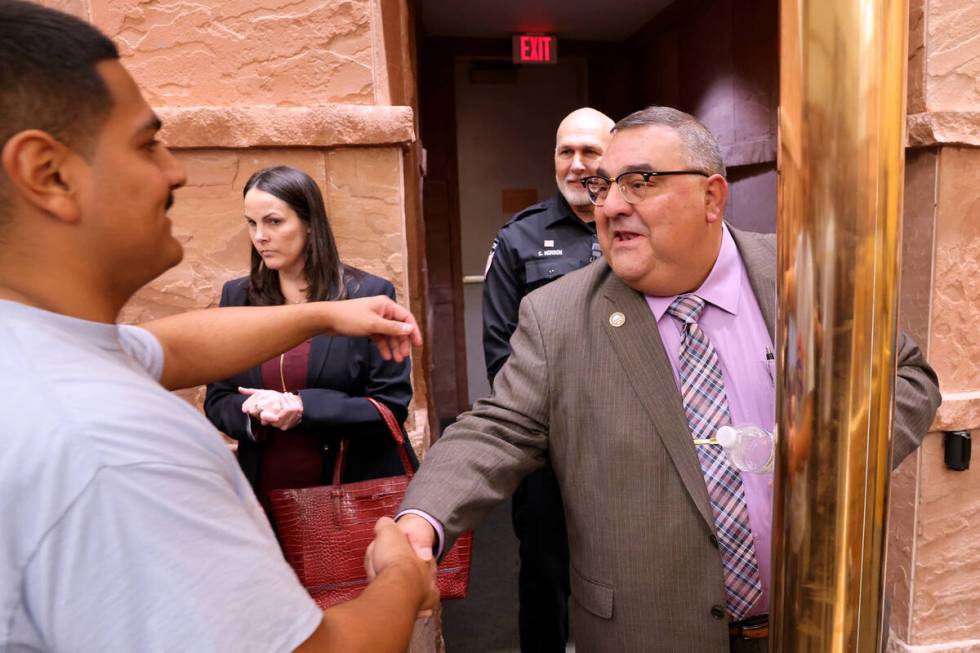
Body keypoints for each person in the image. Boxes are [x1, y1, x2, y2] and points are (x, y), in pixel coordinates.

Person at [394, 106, 942, 652]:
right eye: (603, 185)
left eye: (639, 182)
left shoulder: (806, 277)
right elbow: (495, 428)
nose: (607, 205)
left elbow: (907, 377)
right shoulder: (556, 316)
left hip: (824, 624)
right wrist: (421, 522)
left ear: (711, 197)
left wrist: (836, 452)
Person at [0, 3, 435, 651]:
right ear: (49, 173)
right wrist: (402, 576)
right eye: (146, 142)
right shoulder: (118, 446)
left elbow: (169, 347)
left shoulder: (35, 345)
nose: (175, 171)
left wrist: (325, 314)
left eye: (274, 221)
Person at [205, 166, 417, 520]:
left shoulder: (366, 295)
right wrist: (255, 410)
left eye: (273, 222)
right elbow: (218, 399)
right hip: (265, 493)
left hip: (349, 492)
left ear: (308, 223)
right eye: (252, 223)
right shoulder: (237, 296)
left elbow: (390, 406)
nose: (260, 237)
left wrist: (305, 408)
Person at [481, 107, 614, 652]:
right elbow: (500, 354)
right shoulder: (519, 238)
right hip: (547, 451)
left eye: (591, 151)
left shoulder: (640, 226)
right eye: (566, 151)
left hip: (630, 448)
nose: (577, 164)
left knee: (627, 572)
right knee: (543, 574)